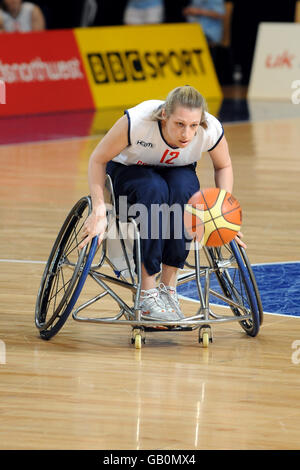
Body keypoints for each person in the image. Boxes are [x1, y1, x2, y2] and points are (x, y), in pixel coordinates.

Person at [80, 85, 245, 322]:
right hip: (129, 169)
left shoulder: (210, 128)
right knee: (153, 191)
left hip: (177, 172)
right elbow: (97, 159)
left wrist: (222, 210)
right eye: (180, 124)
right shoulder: (137, 121)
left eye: (193, 125)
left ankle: (168, 288)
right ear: (165, 115)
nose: (186, 134)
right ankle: (147, 292)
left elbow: (224, 165)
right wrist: (98, 209)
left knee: (185, 193)